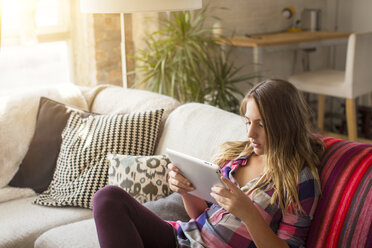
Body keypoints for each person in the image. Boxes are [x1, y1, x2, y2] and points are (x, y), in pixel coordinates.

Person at [92, 79, 324, 248]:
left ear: (286, 124)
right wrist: (187, 191)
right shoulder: (238, 157)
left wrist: (249, 214)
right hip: (184, 238)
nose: (250, 133)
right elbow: (201, 216)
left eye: (261, 124)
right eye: (248, 122)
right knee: (108, 197)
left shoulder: (300, 178)